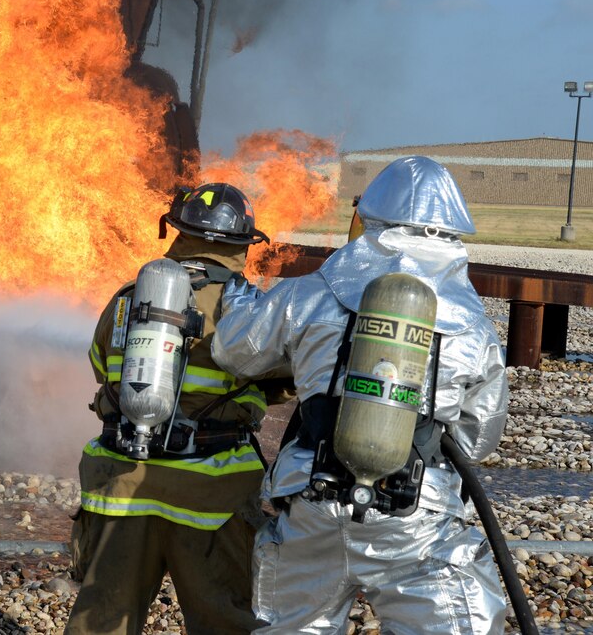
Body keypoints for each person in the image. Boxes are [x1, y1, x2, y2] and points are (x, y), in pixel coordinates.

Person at [211, 156, 509, 634]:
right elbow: (477, 441)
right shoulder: (472, 327)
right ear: (452, 231)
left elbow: (233, 351)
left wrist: (240, 298)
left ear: (370, 219)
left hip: (311, 500)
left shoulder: (311, 292)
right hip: (412, 513)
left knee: (293, 627)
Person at [66, 182, 289, 635]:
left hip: (121, 484)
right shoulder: (246, 306)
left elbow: (99, 367)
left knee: (102, 621)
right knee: (224, 620)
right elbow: (283, 381)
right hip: (211, 493)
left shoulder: (128, 298)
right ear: (242, 244)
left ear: (179, 230)